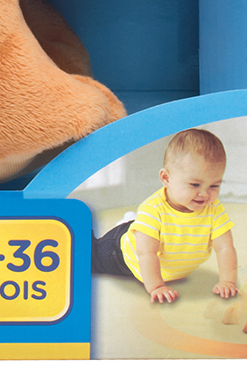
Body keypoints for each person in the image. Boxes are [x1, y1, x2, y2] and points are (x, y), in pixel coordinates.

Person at [92, 128, 238, 303]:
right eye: (195, 185)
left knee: (146, 228)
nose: (205, 194)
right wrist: (156, 286)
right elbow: (146, 253)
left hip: (149, 231)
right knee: (87, 257)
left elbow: (225, 247)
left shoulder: (214, 209)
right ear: (166, 178)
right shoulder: (153, 209)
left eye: (214, 186)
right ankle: (116, 228)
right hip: (120, 255)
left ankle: (132, 222)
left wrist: (228, 281)